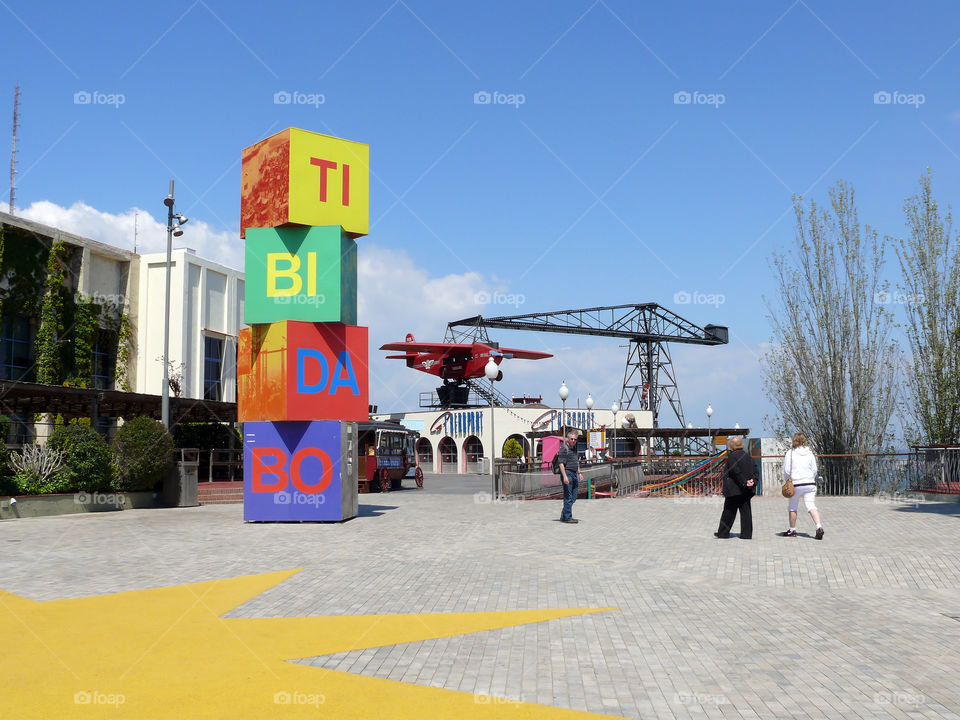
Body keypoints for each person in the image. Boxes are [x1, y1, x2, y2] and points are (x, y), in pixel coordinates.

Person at [780, 432, 824, 539]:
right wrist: (810, 478)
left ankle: (792, 530)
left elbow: (786, 470)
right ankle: (819, 526)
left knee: (792, 507)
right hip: (810, 483)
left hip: (796, 483)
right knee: (811, 505)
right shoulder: (810, 453)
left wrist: (788, 480)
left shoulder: (790, 453)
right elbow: (814, 469)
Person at [715, 436, 757, 539]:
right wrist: (753, 481)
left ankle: (723, 533)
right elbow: (756, 471)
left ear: (732, 445)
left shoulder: (732, 456)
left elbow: (735, 471)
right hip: (746, 490)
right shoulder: (748, 456)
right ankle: (746, 534)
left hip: (734, 489)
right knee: (746, 512)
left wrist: (744, 482)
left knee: (729, 511)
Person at [557, 430, 583, 524]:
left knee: (574, 496)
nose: (573, 441)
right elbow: (561, 463)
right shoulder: (564, 448)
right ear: (568, 439)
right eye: (571, 439)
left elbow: (576, 461)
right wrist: (565, 477)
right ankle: (568, 517)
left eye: (575, 439)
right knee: (568, 496)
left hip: (574, 473)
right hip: (567, 473)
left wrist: (579, 473)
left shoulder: (575, 448)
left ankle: (564, 513)